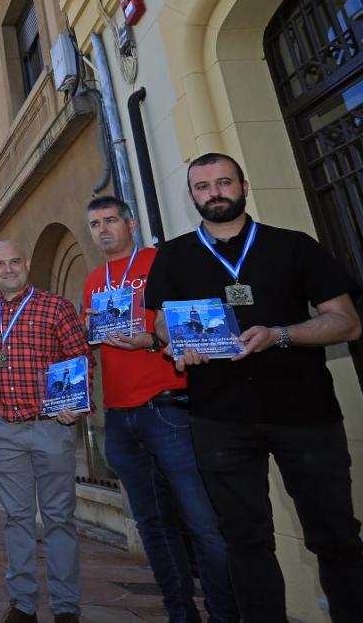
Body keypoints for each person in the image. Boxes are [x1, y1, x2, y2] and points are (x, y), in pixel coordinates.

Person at [145, 152, 363, 623]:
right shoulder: (175, 256)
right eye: (203, 187)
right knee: (245, 541)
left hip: (305, 413)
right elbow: (162, 321)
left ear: (244, 186)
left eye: (224, 182)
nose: (214, 193)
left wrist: (280, 334)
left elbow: (346, 322)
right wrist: (178, 341)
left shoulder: (293, 246)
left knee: (336, 536)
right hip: (220, 418)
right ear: (191, 196)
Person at [81, 196, 237, 623]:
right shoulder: (93, 280)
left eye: (111, 220)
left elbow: (194, 326)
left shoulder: (161, 261)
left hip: (167, 406)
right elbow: (91, 346)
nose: (103, 230)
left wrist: (151, 340)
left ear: (130, 223)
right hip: (119, 414)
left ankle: (224, 614)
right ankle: (180, 613)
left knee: (201, 520)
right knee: (152, 524)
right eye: (95, 224)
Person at [0, 240, 91, 623]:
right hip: (5, 430)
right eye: (0, 264)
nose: (8, 269)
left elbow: (81, 359)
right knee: (16, 518)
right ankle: (23, 605)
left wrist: (76, 404)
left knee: (59, 518)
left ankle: (65, 607)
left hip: (51, 427)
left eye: (14, 262)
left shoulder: (56, 306)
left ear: (26, 264)